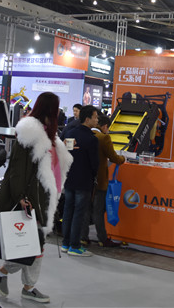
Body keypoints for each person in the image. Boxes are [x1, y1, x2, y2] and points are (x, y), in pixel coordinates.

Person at [0, 92, 73, 304]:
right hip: (30, 197)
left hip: (45, 197)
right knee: (32, 245)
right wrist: (21, 196)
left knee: (36, 245)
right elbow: (17, 169)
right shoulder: (30, 133)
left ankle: (19, 281)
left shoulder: (49, 134)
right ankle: (14, 278)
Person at [81, 112, 126, 247]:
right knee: (98, 210)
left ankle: (83, 237)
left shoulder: (86, 134)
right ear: (105, 126)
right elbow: (114, 158)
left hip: (86, 179)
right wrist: (123, 158)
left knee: (86, 209)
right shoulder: (104, 138)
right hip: (100, 180)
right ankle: (102, 238)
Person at [61, 105, 100, 256]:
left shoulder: (70, 133)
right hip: (83, 180)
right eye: (95, 117)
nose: (97, 120)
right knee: (79, 213)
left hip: (69, 178)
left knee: (68, 211)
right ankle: (75, 246)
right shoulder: (91, 139)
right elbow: (94, 163)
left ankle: (66, 243)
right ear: (88, 119)